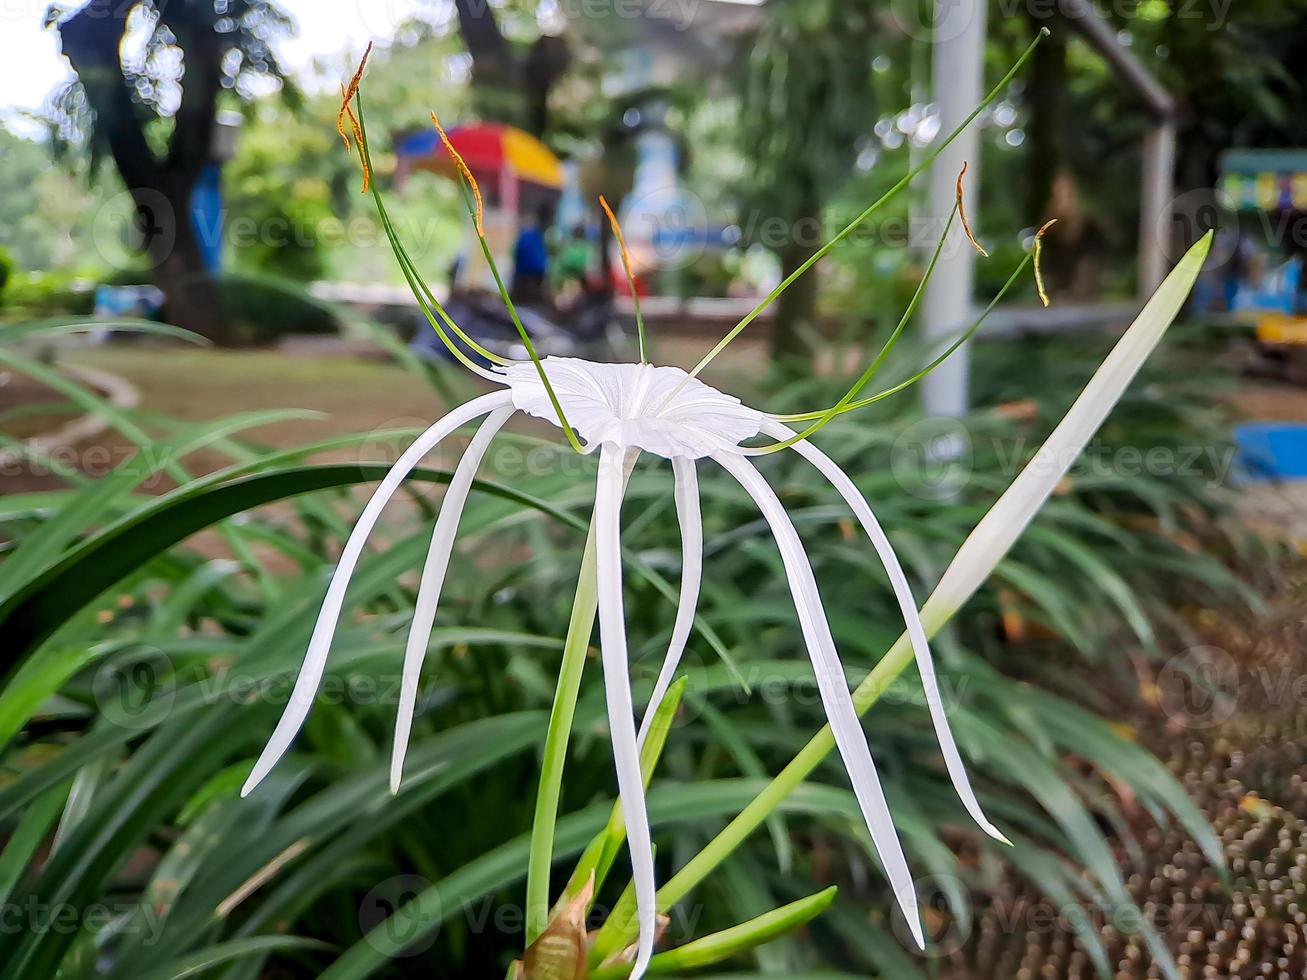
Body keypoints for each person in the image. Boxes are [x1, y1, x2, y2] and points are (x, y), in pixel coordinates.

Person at [512, 204, 552, 305]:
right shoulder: (531, 235)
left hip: (528, 283)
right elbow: (537, 265)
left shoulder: (537, 236)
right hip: (526, 284)